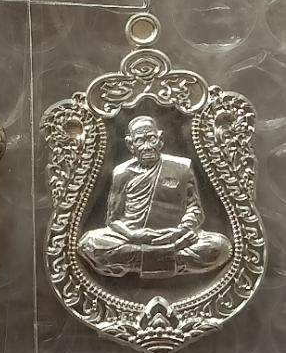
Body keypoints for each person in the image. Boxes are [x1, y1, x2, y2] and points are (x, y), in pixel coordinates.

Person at [78, 115, 232, 279]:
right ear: (130, 144)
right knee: (89, 243)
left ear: (160, 139)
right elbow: (113, 220)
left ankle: (140, 261)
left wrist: (181, 231)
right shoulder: (122, 173)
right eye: (140, 141)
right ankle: (171, 257)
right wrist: (133, 235)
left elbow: (195, 209)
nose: (147, 147)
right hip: (135, 239)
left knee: (221, 245)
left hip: (175, 235)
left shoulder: (181, 168)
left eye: (151, 139)